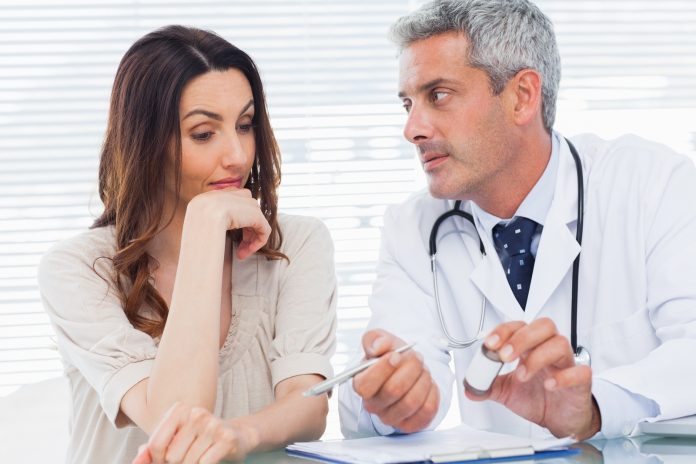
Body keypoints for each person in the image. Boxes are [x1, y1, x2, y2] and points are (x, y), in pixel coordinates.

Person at [339, 0, 696, 441]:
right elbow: (388, 377)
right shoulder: (412, 227)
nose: (412, 129)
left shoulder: (653, 184)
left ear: (522, 96)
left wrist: (594, 407)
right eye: (408, 103)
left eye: (439, 96)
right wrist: (395, 400)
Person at [38, 25, 337, 464]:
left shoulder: (298, 243)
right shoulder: (78, 269)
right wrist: (204, 229)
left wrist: (237, 436)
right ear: (145, 142)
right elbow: (174, 424)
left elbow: (309, 406)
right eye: (203, 134)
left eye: (245, 125)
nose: (237, 155)